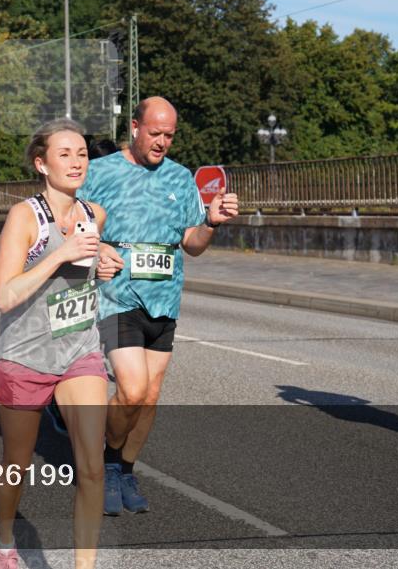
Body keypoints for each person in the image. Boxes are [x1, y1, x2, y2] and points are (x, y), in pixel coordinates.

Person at [78, 96, 238, 515]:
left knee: (148, 397)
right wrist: (96, 254)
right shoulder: (99, 172)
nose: (162, 142)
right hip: (116, 297)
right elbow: (71, 228)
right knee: (130, 389)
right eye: (155, 133)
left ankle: (124, 469)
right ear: (135, 127)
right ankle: (105, 464)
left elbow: (193, 245)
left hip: (165, 298)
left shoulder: (181, 178)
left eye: (169, 135)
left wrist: (210, 223)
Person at [0, 118, 123, 569]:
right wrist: (61, 255)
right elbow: (5, 295)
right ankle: (3, 538)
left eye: (82, 153)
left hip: (78, 350)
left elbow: (87, 265)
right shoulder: (25, 217)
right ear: (41, 163)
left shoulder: (94, 216)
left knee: (90, 464)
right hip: (25, 356)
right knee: (17, 464)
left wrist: (103, 261)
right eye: (64, 153)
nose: (77, 161)